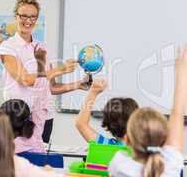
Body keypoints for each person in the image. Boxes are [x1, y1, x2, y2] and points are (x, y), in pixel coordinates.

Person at [0, 0, 89, 143]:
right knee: (13, 161)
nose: (28, 20)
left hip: (44, 118)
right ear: (16, 16)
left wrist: (77, 85)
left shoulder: (42, 48)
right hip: (16, 119)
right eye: (23, 16)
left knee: (39, 162)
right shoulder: (7, 47)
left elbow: (51, 87)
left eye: (33, 17)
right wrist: (61, 69)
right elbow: (26, 79)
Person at [109, 45, 187, 177]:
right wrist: (181, 74)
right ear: (165, 139)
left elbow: (177, 113)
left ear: (127, 140)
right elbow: (178, 113)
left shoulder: (119, 164)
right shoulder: (171, 164)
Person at [76, 79, 139, 145]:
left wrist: (93, 92)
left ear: (107, 125)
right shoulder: (143, 149)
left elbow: (81, 123)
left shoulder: (105, 145)